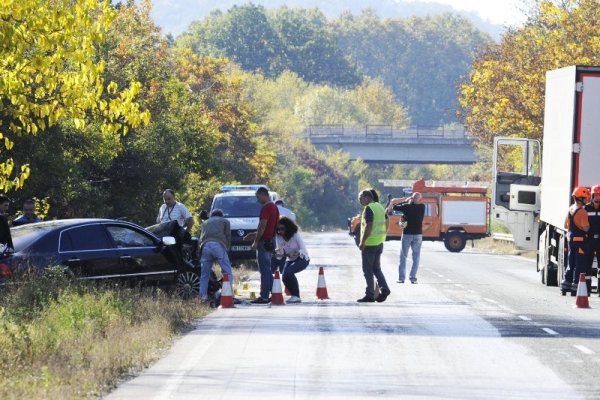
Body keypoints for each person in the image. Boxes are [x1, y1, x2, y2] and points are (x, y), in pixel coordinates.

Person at [244, 186, 279, 304]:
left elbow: (263, 226)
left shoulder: (266, 208)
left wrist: (256, 241)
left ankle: (264, 296)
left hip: (264, 242)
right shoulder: (274, 207)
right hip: (271, 241)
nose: (257, 199)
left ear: (263, 195)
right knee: (267, 269)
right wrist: (253, 234)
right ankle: (275, 291)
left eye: (258, 197)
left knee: (264, 270)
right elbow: (269, 227)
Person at [357, 188, 391, 303]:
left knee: (367, 270)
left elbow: (369, 225)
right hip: (379, 243)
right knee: (376, 269)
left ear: (367, 197)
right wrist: (384, 233)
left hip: (370, 244)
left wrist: (362, 241)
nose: (360, 200)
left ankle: (370, 295)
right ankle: (385, 288)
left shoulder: (369, 208)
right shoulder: (380, 206)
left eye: (360, 198)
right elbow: (387, 220)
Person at [198, 209, 233, 302]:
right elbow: (228, 236)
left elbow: (200, 238)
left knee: (204, 274)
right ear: (221, 215)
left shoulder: (205, 223)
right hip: (218, 245)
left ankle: (203, 297)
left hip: (205, 246)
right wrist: (227, 249)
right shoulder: (225, 221)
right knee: (227, 272)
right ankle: (229, 295)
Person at [561, 186, 590, 295]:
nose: (586, 200)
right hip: (580, 242)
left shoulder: (570, 209)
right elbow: (586, 227)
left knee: (570, 263)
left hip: (571, 240)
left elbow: (565, 225)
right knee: (579, 265)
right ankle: (575, 288)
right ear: (580, 198)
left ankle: (565, 286)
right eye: (585, 198)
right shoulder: (582, 212)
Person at [274, 216, 309, 303]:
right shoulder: (278, 237)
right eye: (278, 229)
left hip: (302, 258)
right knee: (284, 276)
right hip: (290, 259)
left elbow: (303, 249)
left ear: (288, 227)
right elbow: (280, 254)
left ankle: (296, 296)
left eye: (282, 229)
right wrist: (276, 253)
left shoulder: (295, 234)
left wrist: (296, 253)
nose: (280, 231)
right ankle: (293, 294)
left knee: (289, 271)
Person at [396, 192, 425, 284]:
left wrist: (405, 200)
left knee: (403, 256)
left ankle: (401, 278)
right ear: (420, 200)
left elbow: (394, 206)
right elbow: (417, 204)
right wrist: (411, 200)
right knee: (416, 257)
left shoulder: (406, 207)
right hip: (418, 235)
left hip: (407, 234)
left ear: (412, 198)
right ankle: (413, 278)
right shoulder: (422, 207)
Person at [585, 185, 600, 295]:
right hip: (589, 240)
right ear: (592, 196)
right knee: (587, 265)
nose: (597, 197)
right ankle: (587, 290)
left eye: (599, 195)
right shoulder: (586, 209)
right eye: (596, 195)